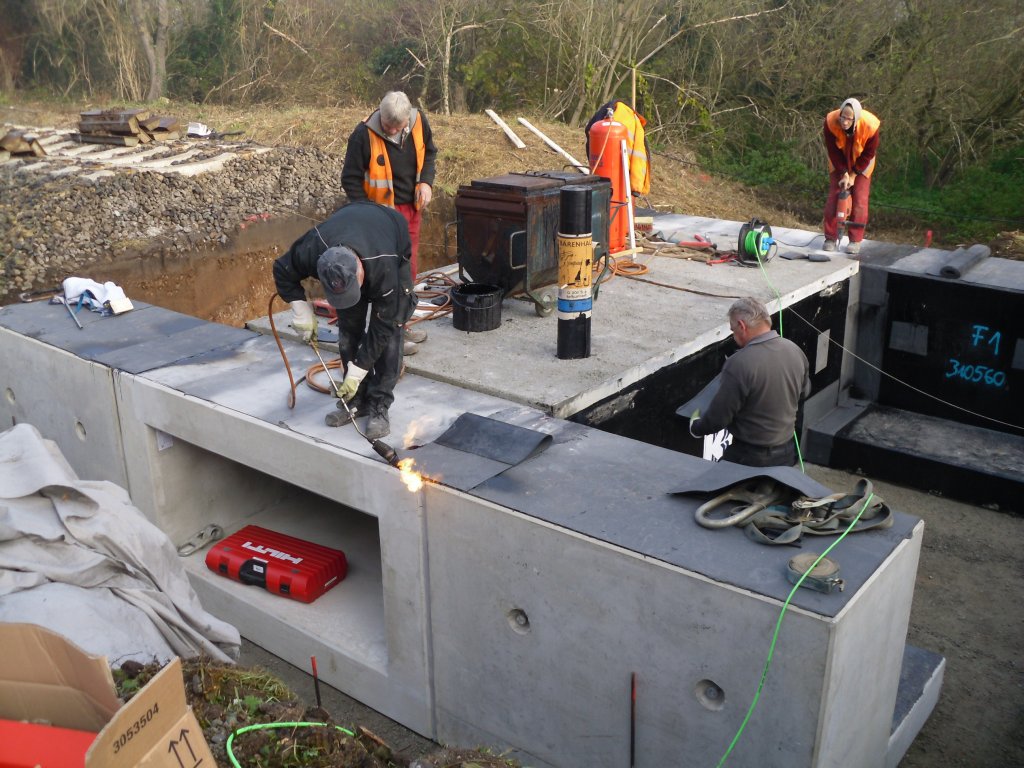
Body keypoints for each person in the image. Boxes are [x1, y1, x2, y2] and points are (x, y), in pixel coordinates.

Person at [273, 201, 416, 439]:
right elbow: (282, 269)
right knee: (349, 327)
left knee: (390, 335)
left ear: (359, 271)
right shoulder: (312, 249)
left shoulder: (384, 265)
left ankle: (379, 404)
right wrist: (301, 310)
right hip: (347, 224)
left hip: (389, 234)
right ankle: (356, 398)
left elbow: (382, 327)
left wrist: (359, 369)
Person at [341, 91, 437, 355]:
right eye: (387, 126)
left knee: (408, 272)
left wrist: (426, 182)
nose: (392, 131)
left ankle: (400, 326)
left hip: (411, 210)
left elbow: (430, 153)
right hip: (380, 217)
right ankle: (387, 338)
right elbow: (350, 179)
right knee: (386, 277)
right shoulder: (362, 135)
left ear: (407, 119)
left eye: (398, 126)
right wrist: (369, 214)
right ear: (380, 115)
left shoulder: (419, 122)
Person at [689, 297, 810, 467]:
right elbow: (804, 393)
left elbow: (719, 417)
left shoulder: (739, 363)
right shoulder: (795, 351)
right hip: (786, 454)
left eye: (733, 330)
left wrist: (696, 427)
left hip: (749, 458)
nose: (734, 336)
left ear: (742, 325)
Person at [822, 97, 880, 255]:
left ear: (856, 119)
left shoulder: (871, 126)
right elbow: (833, 151)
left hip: (862, 162)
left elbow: (868, 154)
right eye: (843, 117)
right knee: (835, 196)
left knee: (860, 200)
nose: (845, 122)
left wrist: (854, 174)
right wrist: (844, 173)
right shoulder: (830, 122)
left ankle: (855, 240)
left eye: (849, 119)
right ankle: (830, 237)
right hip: (839, 160)